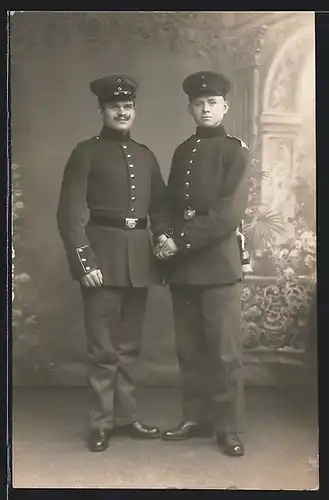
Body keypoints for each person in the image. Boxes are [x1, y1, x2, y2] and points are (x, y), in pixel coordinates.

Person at [57, 75, 174, 452]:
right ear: (101, 111)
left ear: (134, 110)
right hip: (101, 259)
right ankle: (101, 423)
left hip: (139, 260)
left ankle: (126, 417)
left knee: (129, 348)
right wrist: (84, 261)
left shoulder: (145, 155)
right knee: (104, 348)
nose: (122, 112)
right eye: (114, 107)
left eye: (127, 107)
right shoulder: (85, 153)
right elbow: (69, 214)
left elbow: (160, 206)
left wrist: (161, 238)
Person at [155, 71, 250, 456]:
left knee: (224, 352)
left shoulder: (234, 150)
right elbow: (166, 203)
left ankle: (228, 428)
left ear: (224, 107)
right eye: (199, 103)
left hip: (217, 263)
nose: (206, 108)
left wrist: (179, 240)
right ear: (190, 108)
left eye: (212, 102)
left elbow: (229, 215)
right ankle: (195, 418)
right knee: (190, 349)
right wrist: (162, 233)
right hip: (184, 266)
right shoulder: (182, 151)